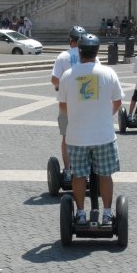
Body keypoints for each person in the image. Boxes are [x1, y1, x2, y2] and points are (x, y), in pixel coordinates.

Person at [58, 33, 124, 225]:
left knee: (78, 175)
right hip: (103, 135)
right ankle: (106, 213)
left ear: (79, 52)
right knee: (105, 174)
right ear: (97, 52)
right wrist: (105, 116)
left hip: (76, 136)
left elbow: (63, 107)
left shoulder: (68, 76)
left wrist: (79, 116)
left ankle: (79, 213)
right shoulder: (109, 73)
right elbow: (118, 101)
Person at [51, 26, 87, 183]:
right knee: (87, 136)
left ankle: (67, 170)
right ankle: (86, 170)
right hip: (87, 104)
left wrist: (60, 87)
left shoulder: (63, 56)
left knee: (66, 137)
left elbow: (54, 79)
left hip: (67, 103)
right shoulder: (91, 55)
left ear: (70, 40)